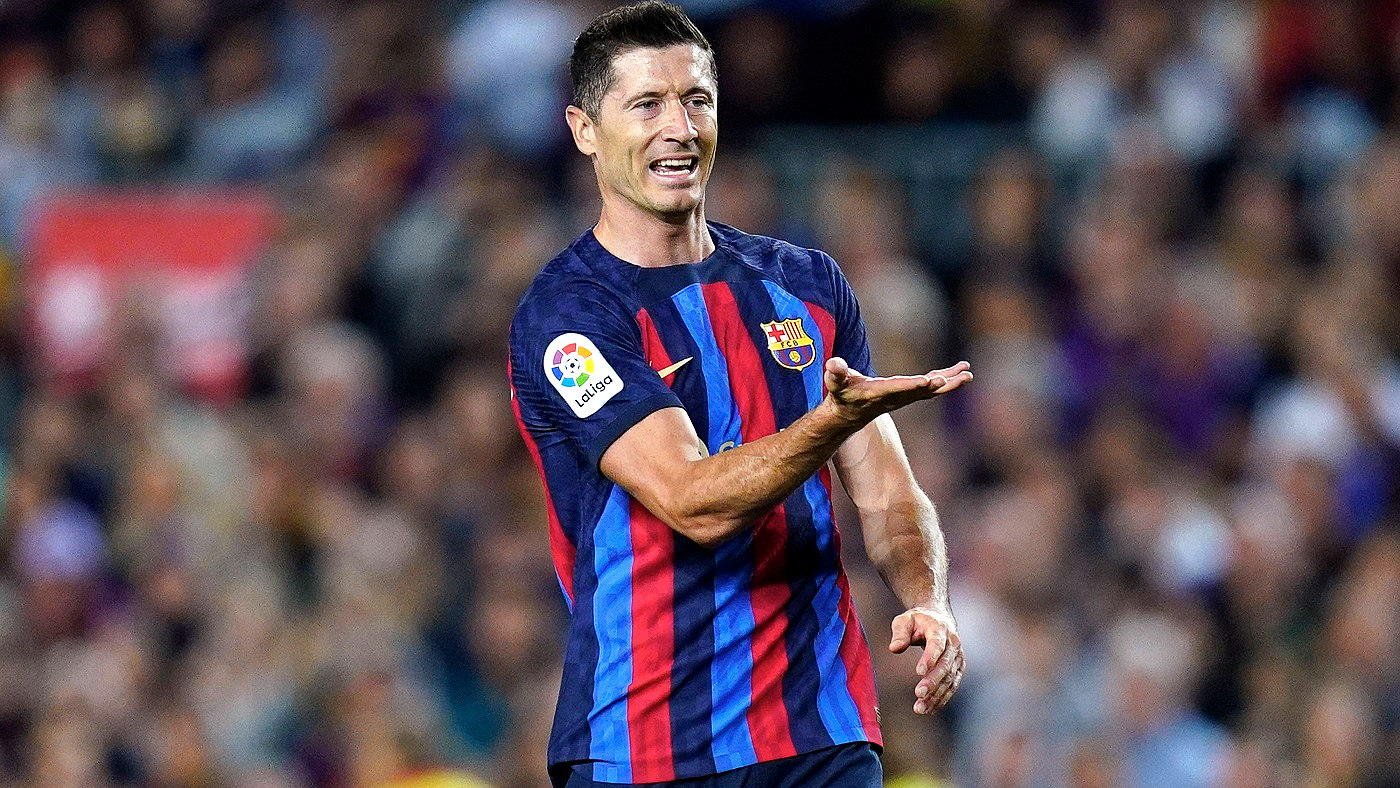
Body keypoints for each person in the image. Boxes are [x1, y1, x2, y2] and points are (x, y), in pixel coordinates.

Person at [507, 3, 972, 786]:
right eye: (646, 105)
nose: (680, 128)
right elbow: (693, 503)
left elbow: (890, 494)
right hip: (644, 746)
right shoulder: (569, 317)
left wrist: (928, 596)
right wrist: (827, 423)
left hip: (819, 732)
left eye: (697, 100)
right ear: (585, 130)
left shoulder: (808, 285)